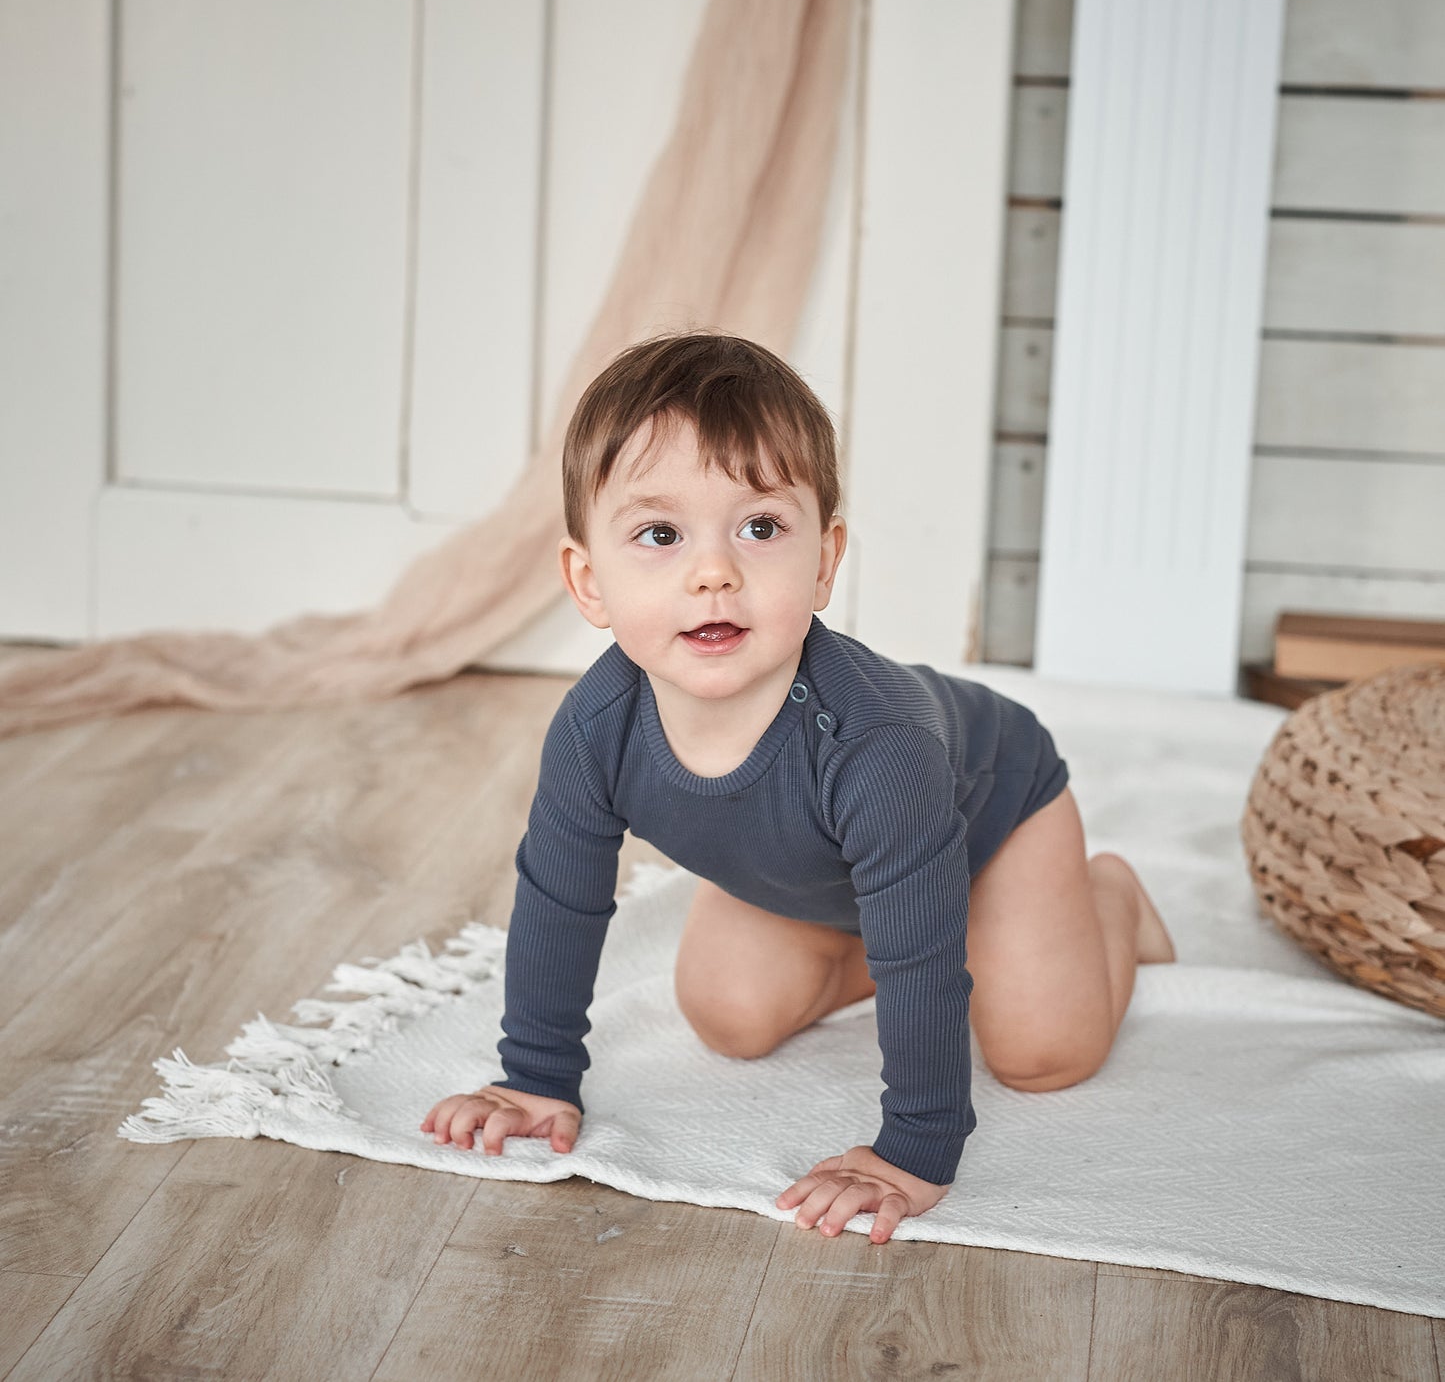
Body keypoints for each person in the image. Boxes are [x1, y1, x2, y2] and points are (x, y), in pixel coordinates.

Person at [421, 331, 1175, 1244]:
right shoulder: (594, 726)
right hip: (829, 873)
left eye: (761, 527)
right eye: (659, 535)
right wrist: (535, 1075)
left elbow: (922, 976)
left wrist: (915, 1148)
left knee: (1043, 1051)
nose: (713, 572)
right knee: (729, 1015)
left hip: (995, 814)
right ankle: (915, 915)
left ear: (823, 559)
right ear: (588, 580)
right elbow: (559, 896)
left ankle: (1109, 898)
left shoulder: (875, 746)